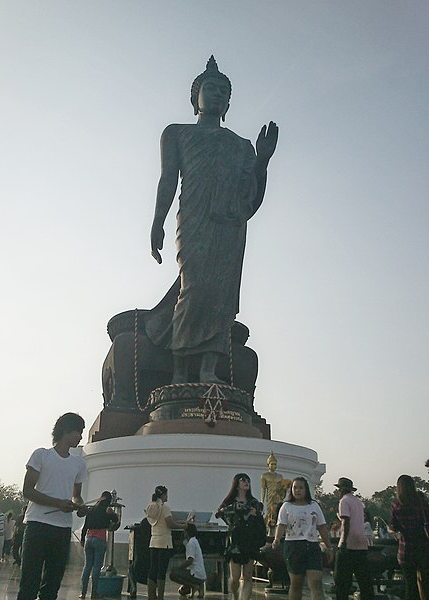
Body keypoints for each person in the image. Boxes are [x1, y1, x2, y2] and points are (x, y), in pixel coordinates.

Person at [147, 56, 278, 384]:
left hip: (229, 225)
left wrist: (262, 162)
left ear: (229, 103)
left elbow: (250, 195)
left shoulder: (242, 145)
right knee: (194, 286)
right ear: (196, 98)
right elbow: (167, 179)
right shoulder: (176, 133)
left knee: (221, 295)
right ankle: (179, 372)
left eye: (224, 92)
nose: (218, 95)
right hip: (195, 219)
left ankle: (208, 370)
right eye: (211, 89)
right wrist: (157, 221)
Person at [16, 412, 88, 600]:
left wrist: (79, 506)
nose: (80, 436)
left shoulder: (79, 464)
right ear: (65, 430)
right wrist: (58, 503)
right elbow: (27, 491)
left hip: (62, 529)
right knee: (29, 582)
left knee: (52, 584)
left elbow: (77, 496)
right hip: (37, 525)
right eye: (78, 432)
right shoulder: (41, 455)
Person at [271, 477, 332, 600]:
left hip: (312, 546)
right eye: (295, 487)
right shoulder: (286, 506)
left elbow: (322, 526)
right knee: (296, 584)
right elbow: (281, 524)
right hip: (293, 546)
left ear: (306, 490)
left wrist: (329, 546)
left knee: (316, 583)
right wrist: (277, 538)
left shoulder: (314, 506)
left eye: (300, 488)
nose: (297, 490)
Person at [216, 473, 266, 600]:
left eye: (248, 480)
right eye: (243, 480)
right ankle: (235, 595)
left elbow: (259, 519)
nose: (246, 482)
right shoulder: (230, 503)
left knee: (248, 575)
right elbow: (224, 516)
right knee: (235, 578)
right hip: (236, 542)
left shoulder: (254, 503)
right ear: (236, 484)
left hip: (250, 541)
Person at [333, 477, 374, 600]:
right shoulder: (358, 502)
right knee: (364, 581)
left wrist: (343, 542)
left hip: (348, 545)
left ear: (341, 490)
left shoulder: (343, 501)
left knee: (341, 582)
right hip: (361, 545)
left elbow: (346, 521)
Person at [390, 474, 429, 600]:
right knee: (426, 583)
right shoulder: (420, 500)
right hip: (423, 547)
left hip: (405, 549)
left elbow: (394, 526)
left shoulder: (396, 504)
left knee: (410, 585)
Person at [145, 485, 186, 600]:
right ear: (163, 495)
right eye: (166, 494)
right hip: (165, 542)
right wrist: (182, 526)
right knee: (161, 570)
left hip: (153, 541)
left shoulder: (152, 507)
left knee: (153, 568)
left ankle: (151, 595)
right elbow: (170, 523)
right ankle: (161, 596)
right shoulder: (165, 508)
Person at [79, 491, 120, 599]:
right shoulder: (107, 509)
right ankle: (94, 592)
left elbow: (85, 526)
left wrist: (82, 539)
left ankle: (82, 593)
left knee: (87, 566)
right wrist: (113, 514)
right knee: (97, 567)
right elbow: (116, 520)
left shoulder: (91, 510)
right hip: (100, 538)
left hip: (89, 538)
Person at [170, 522, 207, 598]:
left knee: (173, 574)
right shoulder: (195, 541)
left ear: (186, 532)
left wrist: (178, 568)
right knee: (182, 591)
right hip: (201, 575)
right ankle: (197, 588)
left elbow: (190, 560)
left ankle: (194, 585)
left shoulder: (191, 543)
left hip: (195, 574)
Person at [261, 451, 291, 534]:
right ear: (268, 465)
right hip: (270, 497)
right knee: (270, 513)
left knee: (278, 512)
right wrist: (261, 502)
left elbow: (281, 489)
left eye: (275, 464)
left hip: (278, 497)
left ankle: (278, 531)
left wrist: (285, 488)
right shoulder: (265, 476)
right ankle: (268, 530)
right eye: (272, 464)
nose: (274, 466)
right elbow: (263, 489)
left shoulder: (280, 476)